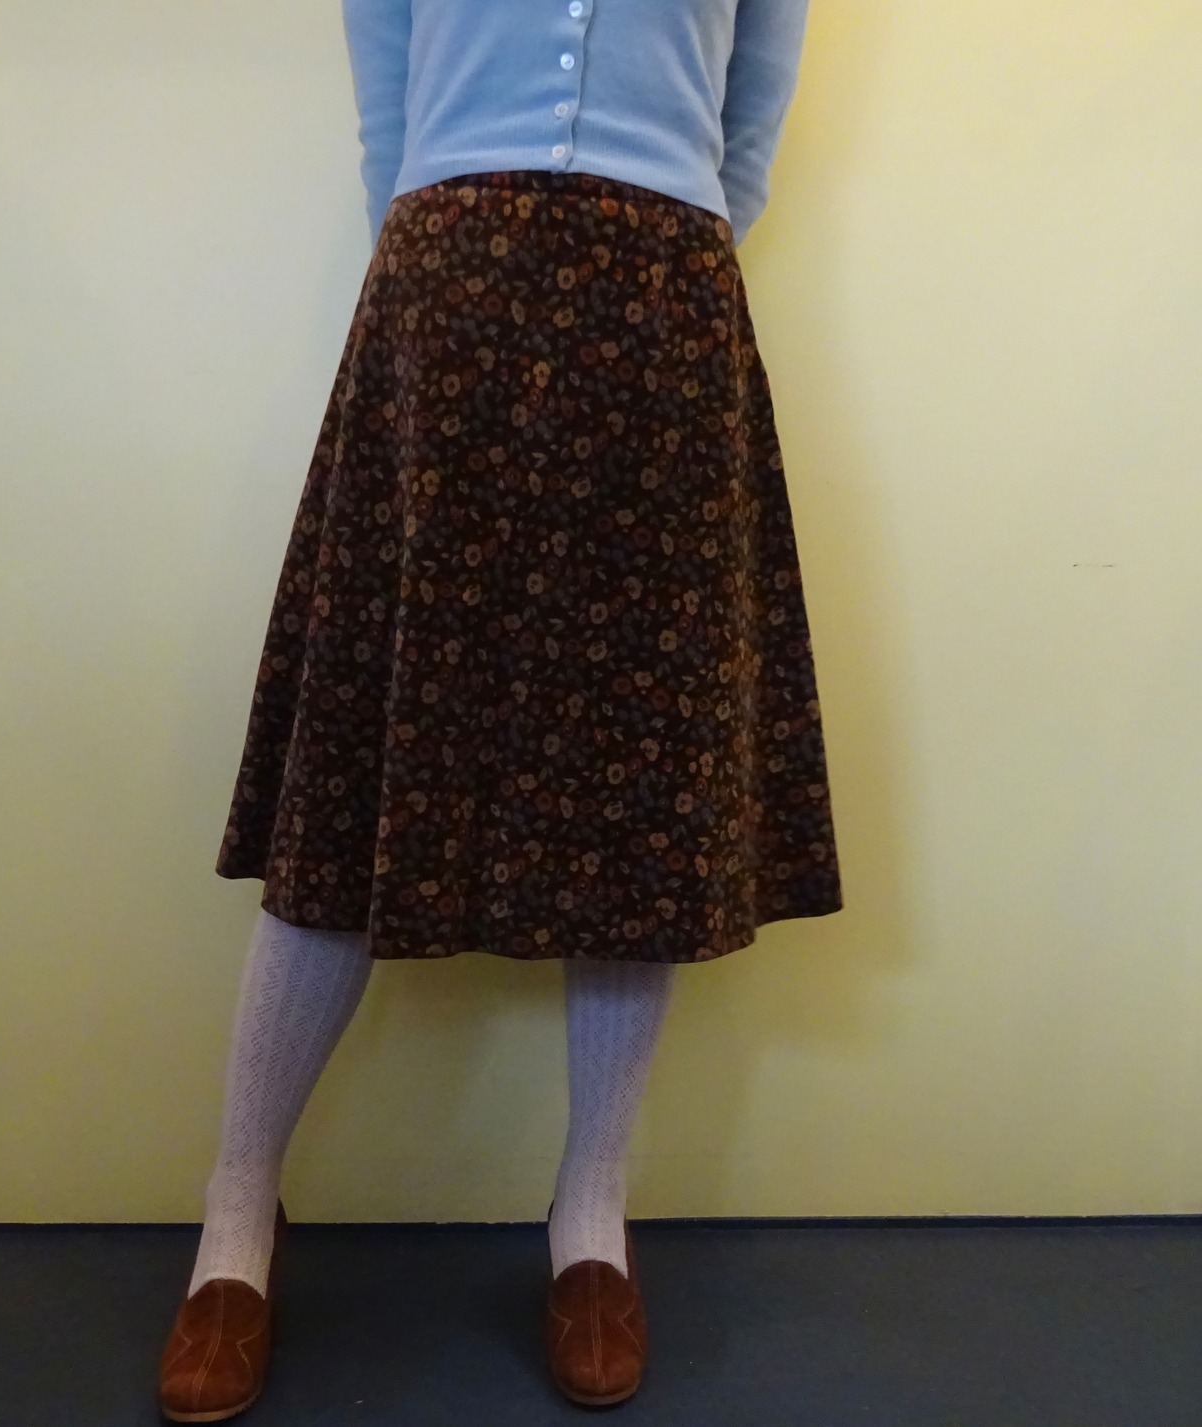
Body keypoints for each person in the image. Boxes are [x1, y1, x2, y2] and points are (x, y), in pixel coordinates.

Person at [156, 0, 842, 1418]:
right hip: (446, 298)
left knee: (640, 778)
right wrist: (437, 237)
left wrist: (673, 228)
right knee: (360, 759)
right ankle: (235, 1215)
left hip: (662, 310)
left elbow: (754, 99)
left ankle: (591, 1218)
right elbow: (385, 83)